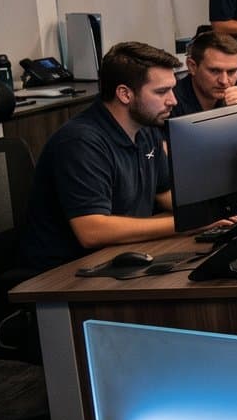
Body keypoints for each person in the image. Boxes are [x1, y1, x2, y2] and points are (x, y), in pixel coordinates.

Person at [22, 43, 184, 270]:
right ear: (125, 94)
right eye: (161, 92)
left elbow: (164, 193)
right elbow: (92, 230)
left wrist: (214, 212)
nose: (173, 100)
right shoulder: (80, 142)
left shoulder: (146, 130)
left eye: (172, 89)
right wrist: (185, 223)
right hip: (68, 273)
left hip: (120, 256)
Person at [171, 31, 237, 118]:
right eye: (215, 71)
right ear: (192, 67)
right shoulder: (170, 101)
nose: (224, 81)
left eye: (231, 72)